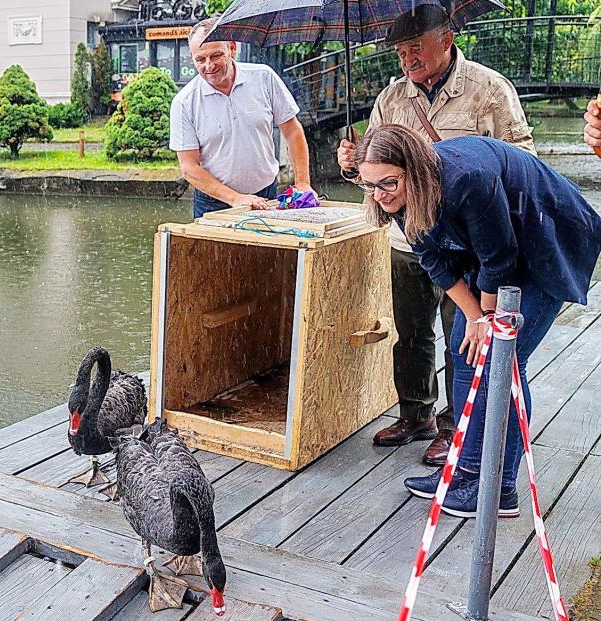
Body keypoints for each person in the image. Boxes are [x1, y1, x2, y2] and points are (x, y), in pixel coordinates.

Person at [353, 124, 601, 518]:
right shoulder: (393, 195)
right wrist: (473, 316)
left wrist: (486, 318)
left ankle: (498, 488)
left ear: (413, 171)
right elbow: (434, 260)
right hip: (492, 249)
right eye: (368, 185)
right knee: (463, 349)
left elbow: (500, 259)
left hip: (545, 238)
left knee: (503, 361)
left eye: (387, 183)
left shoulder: (467, 178)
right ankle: (464, 471)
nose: (379, 195)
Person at [337, 4, 535, 466]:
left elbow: (524, 159)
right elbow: (376, 170)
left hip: (467, 242)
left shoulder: (489, 89)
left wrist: (458, 164)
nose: (408, 59)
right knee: (410, 332)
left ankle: (454, 427)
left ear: (446, 39)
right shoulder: (392, 98)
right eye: (401, 52)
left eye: (417, 48)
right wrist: (351, 162)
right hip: (409, 239)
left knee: (460, 333)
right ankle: (415, 415)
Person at [170, 17, 312, 219]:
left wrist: (303, 182)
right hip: (213, 202)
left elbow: (292, 130)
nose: (209, 66)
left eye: (216, 55)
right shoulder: (184, 102)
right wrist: (236, 198)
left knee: (268, 251)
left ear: (232, 48)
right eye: (200, 59)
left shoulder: (264, 77)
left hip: (267, 194)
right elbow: (189, 167)